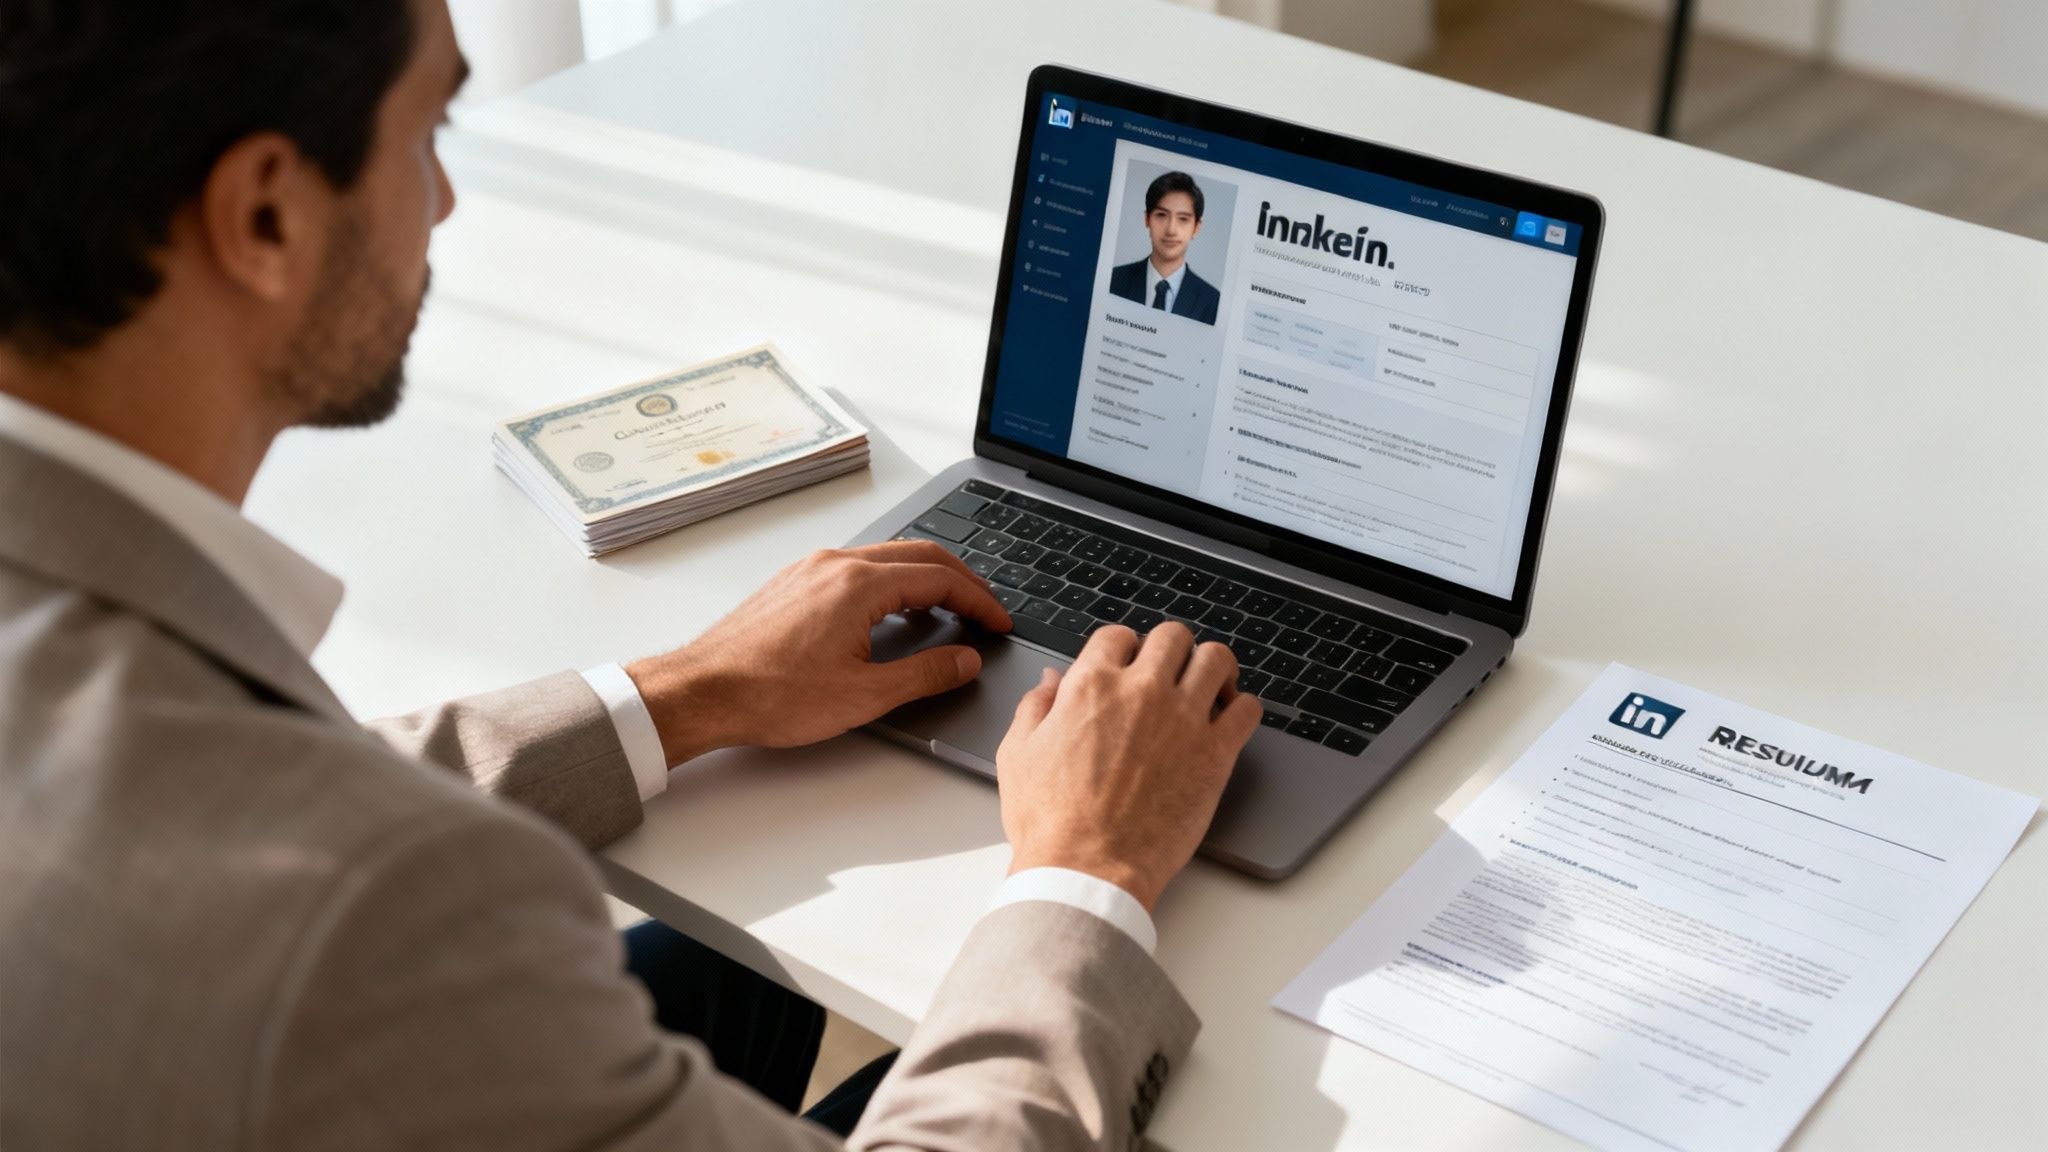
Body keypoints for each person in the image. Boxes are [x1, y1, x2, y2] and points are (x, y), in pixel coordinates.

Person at [0, 2, 1261, 1150]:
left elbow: (239, 819)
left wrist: (686, 689)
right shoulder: (364, 918)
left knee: (748, 981)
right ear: (265, 212)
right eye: (429, 129)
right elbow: (311, 879)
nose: (442, 200)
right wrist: (1087, 871)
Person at [1107, 171, 1223, 325]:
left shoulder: (1212, 302)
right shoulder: (1113, 280)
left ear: (1196, 228)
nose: (1171, 230)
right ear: (1147, 219)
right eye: (1161, 215)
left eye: (1183, 219)